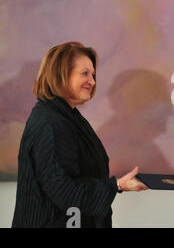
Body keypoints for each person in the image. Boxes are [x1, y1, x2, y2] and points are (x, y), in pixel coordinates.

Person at [12, 42, 148, 228]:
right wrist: (116, 186)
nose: (92, 81)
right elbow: (64, 190)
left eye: (92, 74)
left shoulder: (66, 117)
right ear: (60, 74)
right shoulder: (50, 122)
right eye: (84, 73)